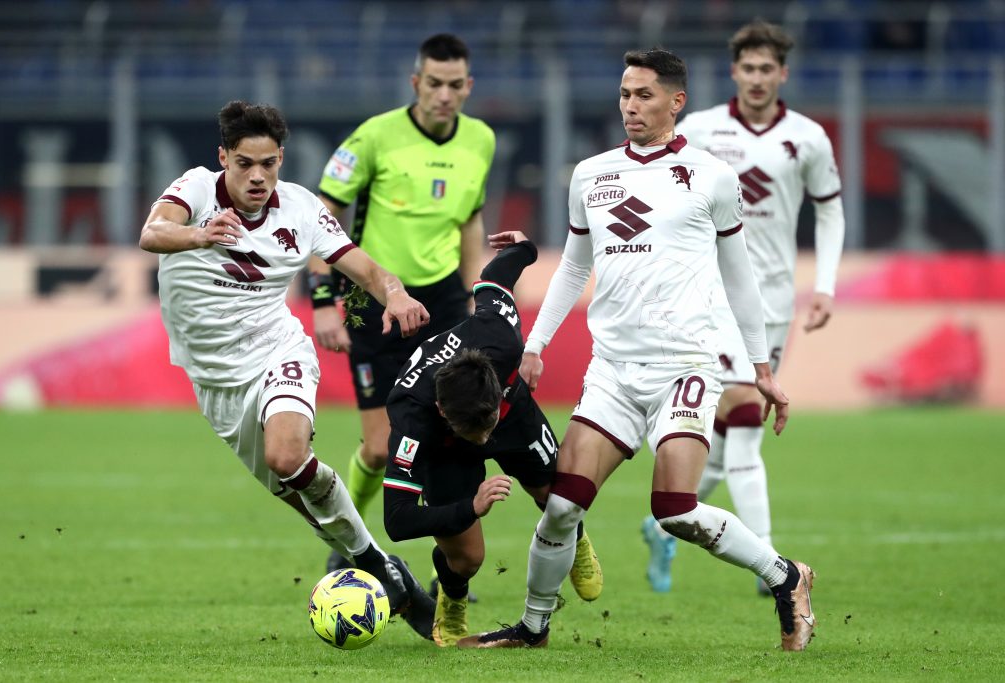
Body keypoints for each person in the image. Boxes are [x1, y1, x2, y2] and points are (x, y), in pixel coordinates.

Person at [457, 48, 816, 652]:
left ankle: (786, 576)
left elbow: (740, 278)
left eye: (644, 95)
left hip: (685, 367)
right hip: (614, 372)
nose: (630, 106)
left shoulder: (711, 176)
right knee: (563, 506)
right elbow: (574, 266)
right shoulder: (591, 174)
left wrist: (760, 369)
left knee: (675, 508)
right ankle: (534, 626)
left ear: (676, 102)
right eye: (624, 94)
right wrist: (536, 344)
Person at [139, 100, 436, 640]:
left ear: (281, 159)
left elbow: (363, 265)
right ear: (223, 157)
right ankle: (380, 566)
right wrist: (200, 235)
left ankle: (371, 566)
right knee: (297, 490)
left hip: (278, 351)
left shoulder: (301, 208)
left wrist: (394, 294)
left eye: (270, 163)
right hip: (215, 382)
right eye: (245, 163)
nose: (257, 176)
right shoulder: (196, 190)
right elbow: (153, 233)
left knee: (286, 455)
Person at [641, 20, 845, 596]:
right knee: (748, 423)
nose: (756, 79)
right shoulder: (701, 129)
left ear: (782, 73)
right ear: (734, 72)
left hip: (774, 301)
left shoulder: (807, 138)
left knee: (731, 436)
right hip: (711, 295)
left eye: (766, 69)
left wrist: (824, 285)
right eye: (747, 68)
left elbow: (830, 211)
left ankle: (667, 520)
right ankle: (773, 566)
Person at [308, 34, 494, 573]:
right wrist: (323, 300)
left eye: (455, 85)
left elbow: (471, 221)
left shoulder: (480, 139)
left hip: (444, 301)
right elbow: (324, 216)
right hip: (374, 300)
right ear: (416, 83)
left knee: (451, 438)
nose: (444, 94)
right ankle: (348, 537)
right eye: (433, 83)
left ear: (468, 87)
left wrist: (480, 293)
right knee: (380, 449)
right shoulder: (374, 137)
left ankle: (452, 561)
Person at [381, 231, 603, 647]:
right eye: (476, 432)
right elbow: (396, 520)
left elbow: (496, 275)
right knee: (467, 557)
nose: (485, 439)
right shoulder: (412, 418)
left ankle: (574, 533)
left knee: (558, 496)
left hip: (514, 415)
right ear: (443, 412)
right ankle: (452, 599)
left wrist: (524, 247)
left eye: (486, 425)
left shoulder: (500, 336)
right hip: (445, 453)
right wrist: (471, 506)